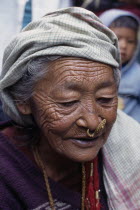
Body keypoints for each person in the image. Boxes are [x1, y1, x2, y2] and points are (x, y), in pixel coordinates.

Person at [0, 7, 140, 210]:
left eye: (105, 99)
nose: (93, 123)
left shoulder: (130, 146)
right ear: (24, 101)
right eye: (68, 102)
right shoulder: (7, 171)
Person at [99, 9, 140, 122]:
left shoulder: (137, 75)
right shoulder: (91, 71)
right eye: (117, 38)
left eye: (130, 41)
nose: (123, 45)